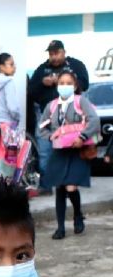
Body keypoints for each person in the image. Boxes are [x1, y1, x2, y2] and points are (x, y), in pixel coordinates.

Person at [37, 69, 100, 240]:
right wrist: (50, 136)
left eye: (68, 83)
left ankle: (78, 215)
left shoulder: (81, 101)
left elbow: (94, 120)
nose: (64, 86)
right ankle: (60, 228)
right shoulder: (52, 105)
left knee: (71, 186)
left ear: (75, 86)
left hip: (78, 151)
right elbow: (41, 126)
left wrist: (82, 136)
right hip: (59, 151)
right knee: (59, 188)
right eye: (61, 83)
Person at [29, 40, 91, 190]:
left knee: (70, 152)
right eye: (51, 54)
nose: (54, 57)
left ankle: (69, 182)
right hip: (47, 116)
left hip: (70, 118)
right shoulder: (42, 69)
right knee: (45, 152)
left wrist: (65, 83)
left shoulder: (75, 65)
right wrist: (43, 83)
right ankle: (46, 184)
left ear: (64, 52)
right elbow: (30, 92)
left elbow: (85, 84)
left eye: (57, 53)